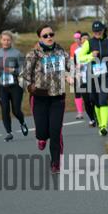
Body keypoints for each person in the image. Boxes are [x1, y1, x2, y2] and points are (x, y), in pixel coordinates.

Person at [19, 25, 72, 174]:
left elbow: (71, 67)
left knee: (56, 132)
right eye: (45, 36)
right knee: (42, 132)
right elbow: (22, 76)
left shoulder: (61, 52)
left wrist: (71, 76)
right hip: (39, 98)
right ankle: (41, 138)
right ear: (40, 38)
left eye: (51, 34)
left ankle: (56, 163)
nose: (49, 37)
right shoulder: (33, 54)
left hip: (57, 98)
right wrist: (30, 87)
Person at [77, 21, 108, 136]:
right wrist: (90, 55)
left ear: (103, 30)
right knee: (95, 101)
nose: (97, 33)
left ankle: (104, 126)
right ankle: (100, 123)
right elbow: (80, 58)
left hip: (106, 76)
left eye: (99, 31)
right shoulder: (88, 43)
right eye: (95, 31)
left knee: (103, 100)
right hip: (92, 76)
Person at [0, 30, 29, 141]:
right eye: (4, 40)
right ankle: (9, 132)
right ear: (0, 40)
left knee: (16, 110)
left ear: (11, 41)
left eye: (8, 40)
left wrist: (13, 70)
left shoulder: (17, 53)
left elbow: (24, 70)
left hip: (15, 86)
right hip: (1, 86)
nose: (6, 42)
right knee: (4, 109)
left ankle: (22, 122)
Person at [75, 33, 98, 127]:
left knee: (94, 99)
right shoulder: (77, 51)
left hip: (94, 79)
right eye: (83, 38)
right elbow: (75, 65)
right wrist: (78, 67)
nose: (85, 40)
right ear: (80, 40)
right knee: (87, 101)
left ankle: (97, 117)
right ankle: (92, 119)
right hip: (83, 79)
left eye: (87, 38)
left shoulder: (94, 50)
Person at [69, 32, 85, 120]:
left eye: (78, 38)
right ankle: (80, 112)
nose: (77, 40)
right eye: (75, 38)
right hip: (78, 73)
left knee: (88, 94)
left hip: (88, 73)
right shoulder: (73, 47)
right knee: (77, 92)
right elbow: (72, 62)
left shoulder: (87, 47)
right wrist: (71, 76)